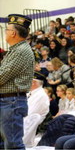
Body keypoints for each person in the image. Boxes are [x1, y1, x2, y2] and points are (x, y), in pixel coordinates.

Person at [0, 14, 34, 149]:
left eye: (6, 30)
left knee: (13, 144)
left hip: (11, 102)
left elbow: (2, 76)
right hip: (9, 101)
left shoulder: (20, 51)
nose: (5, 33)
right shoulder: (16, 50)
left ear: (13, 33)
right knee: (5, 143)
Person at [23, 78, 49, 147]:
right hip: (25, 121)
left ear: (33, 82)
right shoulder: (31, 93)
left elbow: (30, 113)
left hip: (29, 124)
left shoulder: (41, 95)